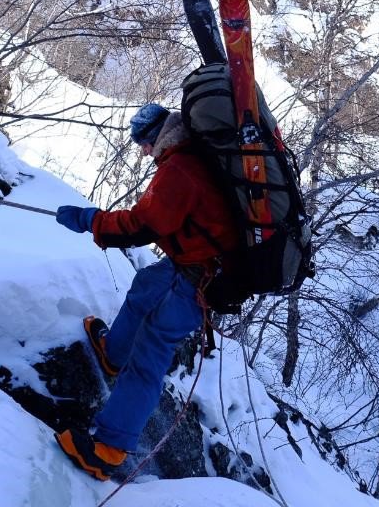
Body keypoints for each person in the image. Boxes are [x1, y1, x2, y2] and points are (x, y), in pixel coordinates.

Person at [53, 103, 239, 481]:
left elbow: (142, 225)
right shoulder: (192, 159)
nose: (141, 150)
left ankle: (109, 449)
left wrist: (90, 220)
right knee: (145, 285)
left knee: (151, 353)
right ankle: (113, 352)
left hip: (197, 278)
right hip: (193, 263)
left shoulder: (181, 168)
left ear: (158, 135)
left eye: (143, 142)